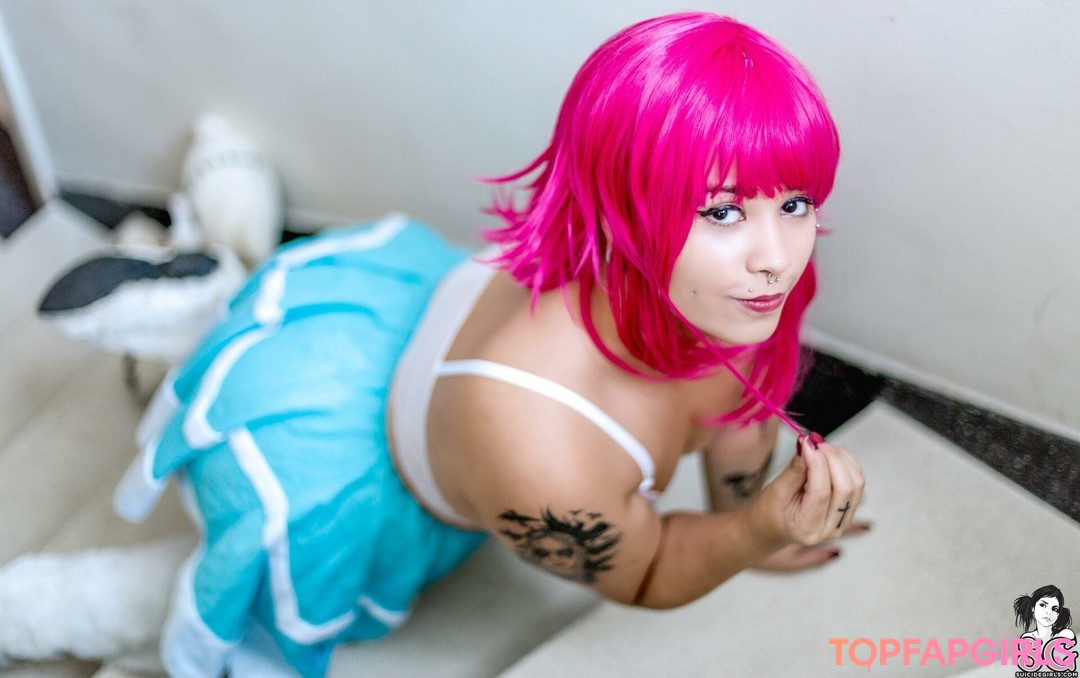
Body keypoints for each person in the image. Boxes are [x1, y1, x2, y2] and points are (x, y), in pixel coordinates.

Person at [114, 11, 865, 677]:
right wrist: (755, 530)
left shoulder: (738, 285)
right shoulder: (539, 445)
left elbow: (737, 411)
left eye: (795, 202)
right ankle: (174, 320)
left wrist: (757, 519)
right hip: (335, 440)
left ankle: (214, 258)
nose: (778, 257)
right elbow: (642, 574)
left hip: (432, 310)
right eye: (723, 212)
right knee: (231, 571)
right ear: (621, 215)